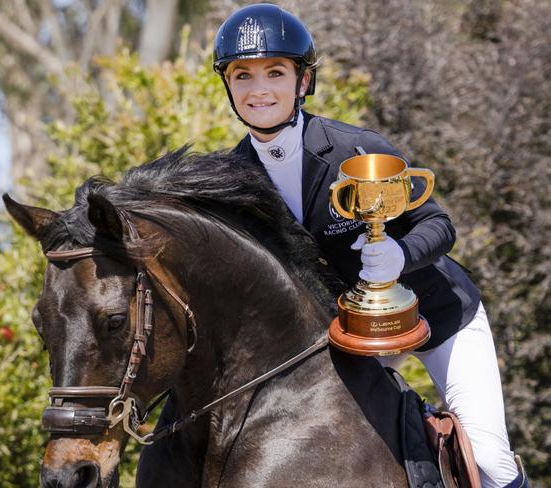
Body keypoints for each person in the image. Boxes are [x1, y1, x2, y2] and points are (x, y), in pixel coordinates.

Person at [213, 3, 526, 488]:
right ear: (228, 86)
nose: (259, 89)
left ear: (302, 82)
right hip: (349, 335)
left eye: (275, 72)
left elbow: (438, 224)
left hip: (438, 314)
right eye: (243, 75)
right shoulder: (230, 178)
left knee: (488, 460)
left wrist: (400, 256)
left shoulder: (353, 149)